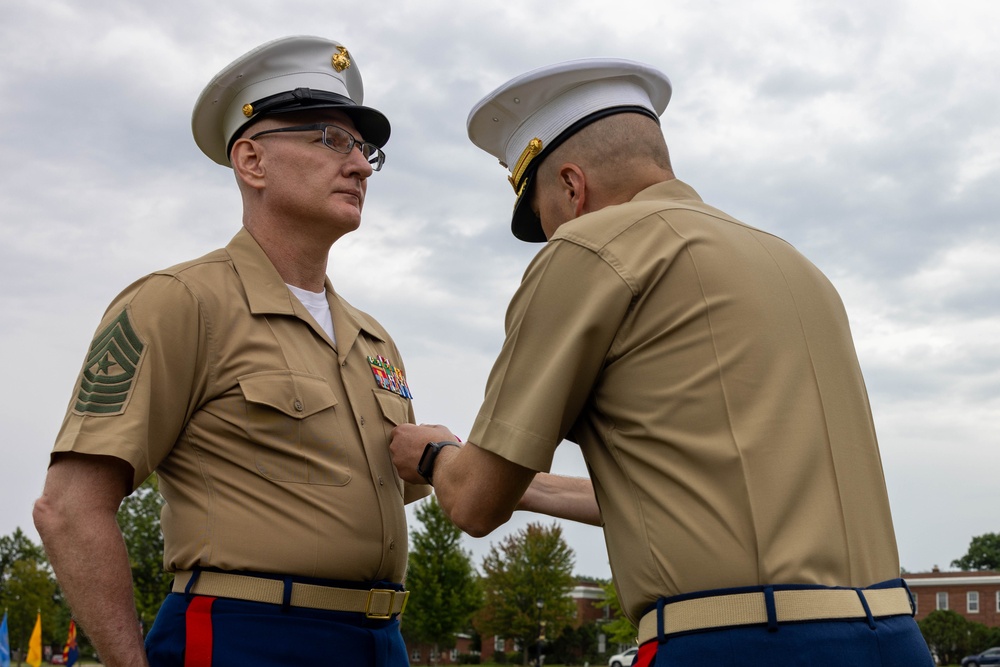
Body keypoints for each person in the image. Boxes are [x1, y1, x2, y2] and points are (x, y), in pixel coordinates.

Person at [389, 59, 934, 666]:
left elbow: (474, 504)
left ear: (571, 187)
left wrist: (436, 457)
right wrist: (528, 487)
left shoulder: (591, 249)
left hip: (741, 644)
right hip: (893, 635)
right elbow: (686, 496)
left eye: (542, 215)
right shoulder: (795, 266)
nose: (550, 235)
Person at [33, 36, 427, 667]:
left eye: (364, 149)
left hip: (382, 641)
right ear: (252, 161)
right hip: (247, 635)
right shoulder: (179, 302)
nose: (357, 165)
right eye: (330, 139)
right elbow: (68, 508)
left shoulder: (373, 338)